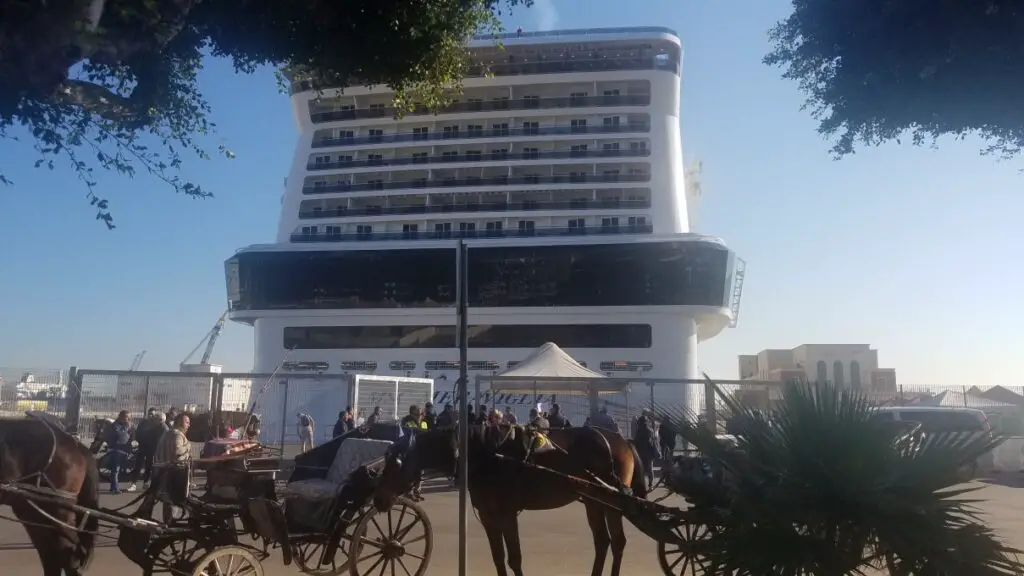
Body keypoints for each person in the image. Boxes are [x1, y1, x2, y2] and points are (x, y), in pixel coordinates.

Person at [153, 413, 192, 521]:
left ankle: (167, 521)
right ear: (180, 422)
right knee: (175, 499)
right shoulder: (177, 434)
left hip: (164, 470)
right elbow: (177, 451)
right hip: (175, 472)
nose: (189, 425)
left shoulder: (168, 433)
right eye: (187, 422)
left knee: (168, 500)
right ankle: (170, 522)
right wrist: (188, 447)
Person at [132, 408, 166, 490]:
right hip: (142, 447)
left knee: (148, 466)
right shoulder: (143, 423)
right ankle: (133, 484)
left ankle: (146, 482)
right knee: (138, 465)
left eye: (153, 414)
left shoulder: (157, 425)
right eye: (150, 414)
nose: (151, 416)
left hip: (151, 449)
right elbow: (138, 432)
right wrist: (138, 441)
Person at [400, 405, 428, 500]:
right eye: (418, 414)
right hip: (410, 452)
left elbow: (426, 435)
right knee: (411, 473)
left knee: (421, 474)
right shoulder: (407, 423)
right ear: (412, 414)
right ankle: (409, 492)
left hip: (421, 451)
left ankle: (417, 491)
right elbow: (407, 435)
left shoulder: (424, 423)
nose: (421, 416)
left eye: (422, 414)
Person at [106, 410, 134, 494]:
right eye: (125, 417)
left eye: (128, 417)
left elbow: (132, 436)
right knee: (116, 469)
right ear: (121, 417)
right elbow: (119, 435)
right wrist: (127, 428)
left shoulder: (130, 425)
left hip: (125, 450)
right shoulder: (115, 425)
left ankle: (113, 487)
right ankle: (115, 488)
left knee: (119, 469)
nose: (127, 419)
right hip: (117, 450)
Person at [633, 409, 657, 490]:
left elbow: (636, 442)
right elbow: (652, 443)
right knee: (650, 469)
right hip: (649, 454)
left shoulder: (638, 431)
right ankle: (650, 485)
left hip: (640, 453)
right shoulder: (650, 431)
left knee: (641, 470)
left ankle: (643, 484)